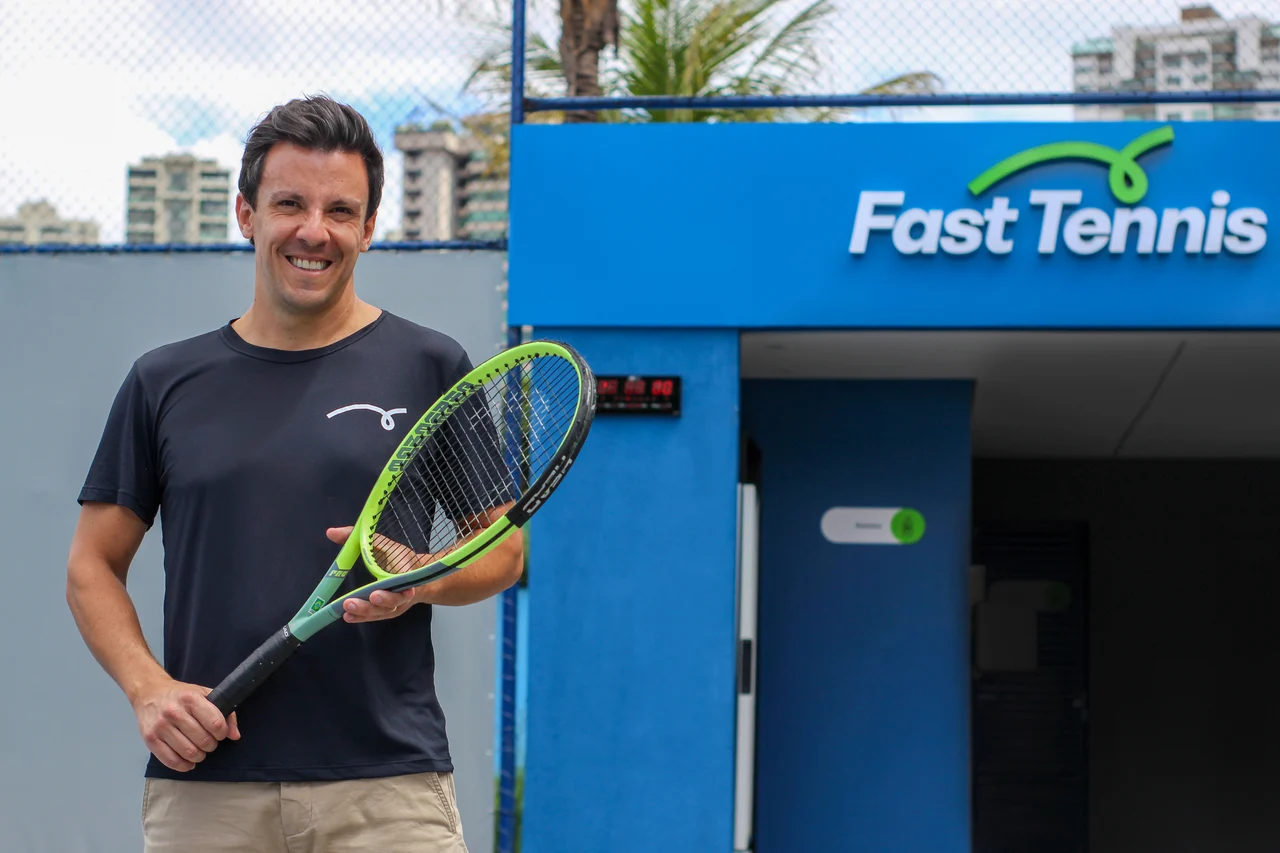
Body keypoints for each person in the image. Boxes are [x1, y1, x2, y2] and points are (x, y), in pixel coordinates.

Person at [64, 95, 524, 852]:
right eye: (290, 204)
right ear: (246, 214)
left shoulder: (430, 364)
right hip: (207, 785)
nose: (315, 231)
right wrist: (149, 689)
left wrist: (423, 579)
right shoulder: (163, 381)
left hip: (388, 791)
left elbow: (503, 548)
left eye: (341, 211)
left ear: (368, 229)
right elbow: (91, 566)